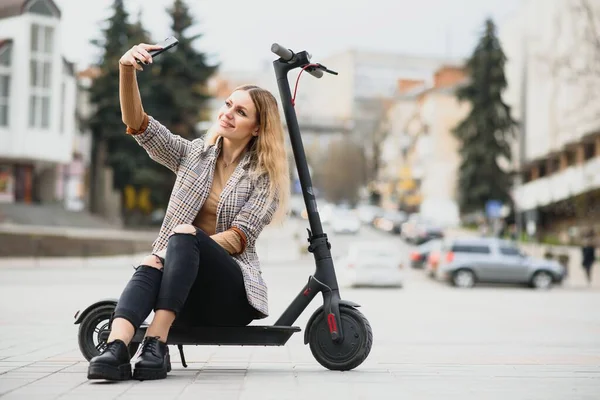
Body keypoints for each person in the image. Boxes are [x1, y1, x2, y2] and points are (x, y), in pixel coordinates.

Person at [87, 43, 290, 381]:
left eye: (240, 112)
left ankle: (155, 341)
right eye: (228, 105)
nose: (227, 113)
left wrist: (183, 244)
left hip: (229, 295)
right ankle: (116, 349)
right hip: (181, 293)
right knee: (153, 264)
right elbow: (139, 125)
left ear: (257, 128)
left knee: (176, 241)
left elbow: (240, 238)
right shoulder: (193, 155)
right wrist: (126, 70)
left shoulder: (264, 178)